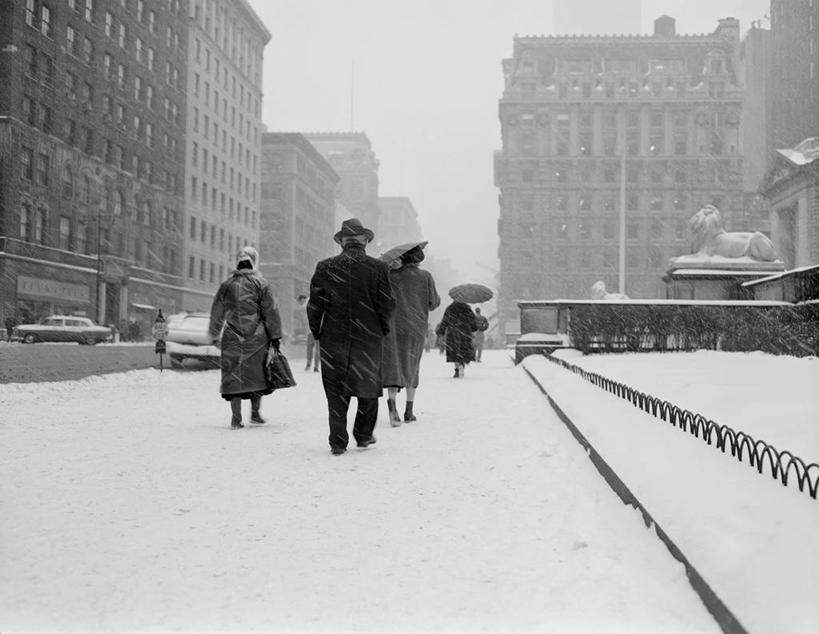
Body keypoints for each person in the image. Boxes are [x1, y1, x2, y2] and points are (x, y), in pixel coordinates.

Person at [307, 218, 395, 456]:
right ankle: (363, 435)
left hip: (333, 338)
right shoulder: (378, 268)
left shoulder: (325, 267)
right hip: (368, 337)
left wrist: (317, 332)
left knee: (336, 391)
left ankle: (337, 441)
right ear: (364, 240)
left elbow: (314, 306)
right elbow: (387, 304)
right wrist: (382, 328)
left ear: (342, 242)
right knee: (367, 387)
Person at [209, 246, 282, 429]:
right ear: (253, 262)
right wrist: (275, 336)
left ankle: (236, 418)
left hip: (232, 336)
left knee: (233, 376)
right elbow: (270, 311)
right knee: (257, 375)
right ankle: (255, 413)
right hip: (257, 337)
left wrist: (214, 333)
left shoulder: (226, 285)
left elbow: (217, 311)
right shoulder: (261, 284)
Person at [380, 244, 440, 426]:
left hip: (393, 326)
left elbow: (382, 299)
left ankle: (392, 407)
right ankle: (409, 410)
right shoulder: (425, 276)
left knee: (393, 365)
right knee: (411, 365)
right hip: (416, 328)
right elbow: (433, 303)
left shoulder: (390, 276)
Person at [436, 299, 478, 378]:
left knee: (455, 352)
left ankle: (457, 368)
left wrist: (441, 332)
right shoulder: (467, 308)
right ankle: (462, 365)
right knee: (463, 351)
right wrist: (473, 328)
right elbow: (473, 321)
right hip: (465, 333)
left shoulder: (450, 308)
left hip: (453, 333)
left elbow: (445, 321)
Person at [296, 294, 320, 372]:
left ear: (302, 299)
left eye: (299, 302)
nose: (299, 304)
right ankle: (316, 367)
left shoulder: (303, 307)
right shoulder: (315, 303)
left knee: (310, 348)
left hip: (311, 330)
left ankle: (308, 364)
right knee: (317, 349)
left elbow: (305, 321)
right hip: (318, 329)